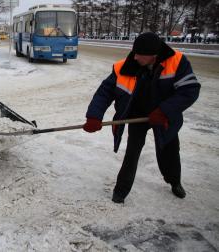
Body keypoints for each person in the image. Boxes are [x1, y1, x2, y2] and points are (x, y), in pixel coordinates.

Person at [83, 32, 200, 203]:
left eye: (140, 54)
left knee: (170, 151)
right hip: (137, 115)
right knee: (132, 153)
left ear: (154, 55)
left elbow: (190, 90)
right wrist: (94, 116)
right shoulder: (126, 66)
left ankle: (175, 182)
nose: (135, 57)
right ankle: (121, 191)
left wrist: (164, 111)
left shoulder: (177, 62)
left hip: (164, 117)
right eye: (134, 52)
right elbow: (104, 92)